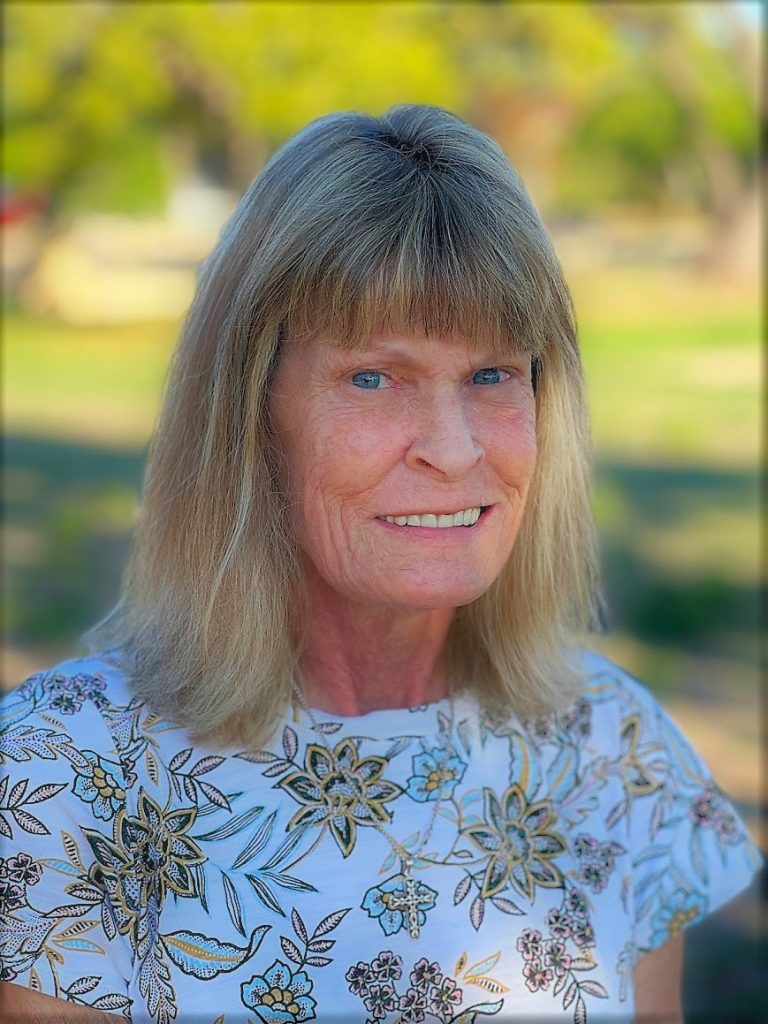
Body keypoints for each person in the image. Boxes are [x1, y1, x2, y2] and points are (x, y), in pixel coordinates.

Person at [0, 105, 760, 1024]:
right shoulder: (63, 781)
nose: (452, 448)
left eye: (492, 375)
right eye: (373, 377)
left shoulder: (613, 754)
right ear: (251, 414)